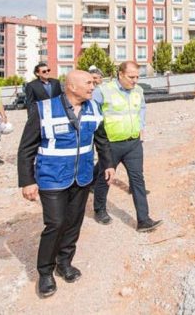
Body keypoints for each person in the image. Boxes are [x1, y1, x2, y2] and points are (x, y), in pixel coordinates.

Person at [18, 70, 115, 298]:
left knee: (73, 223)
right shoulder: (44, 109)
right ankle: (45, 272)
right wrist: (27, 181)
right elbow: (26, 148)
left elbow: (101, 139)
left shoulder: (94, 108)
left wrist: (108, 164)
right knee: (56, 223)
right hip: (52, 177)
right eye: (88, 83)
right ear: (71, 86)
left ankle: (64, 263)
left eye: (93, 83)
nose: (93, 86)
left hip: (82, 176)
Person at [92, 62, 162, 232]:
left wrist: (141, 127)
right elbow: (93, 114)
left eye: (137, 76)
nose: (135, 80)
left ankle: (143, 220)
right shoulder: (103, 91)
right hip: (110, 144)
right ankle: (99, 209)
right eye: (131, 77)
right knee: (105, 178)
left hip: (133, 143)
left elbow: (141, 109)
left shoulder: (138, 90)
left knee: (138, 179)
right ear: (120, 74)